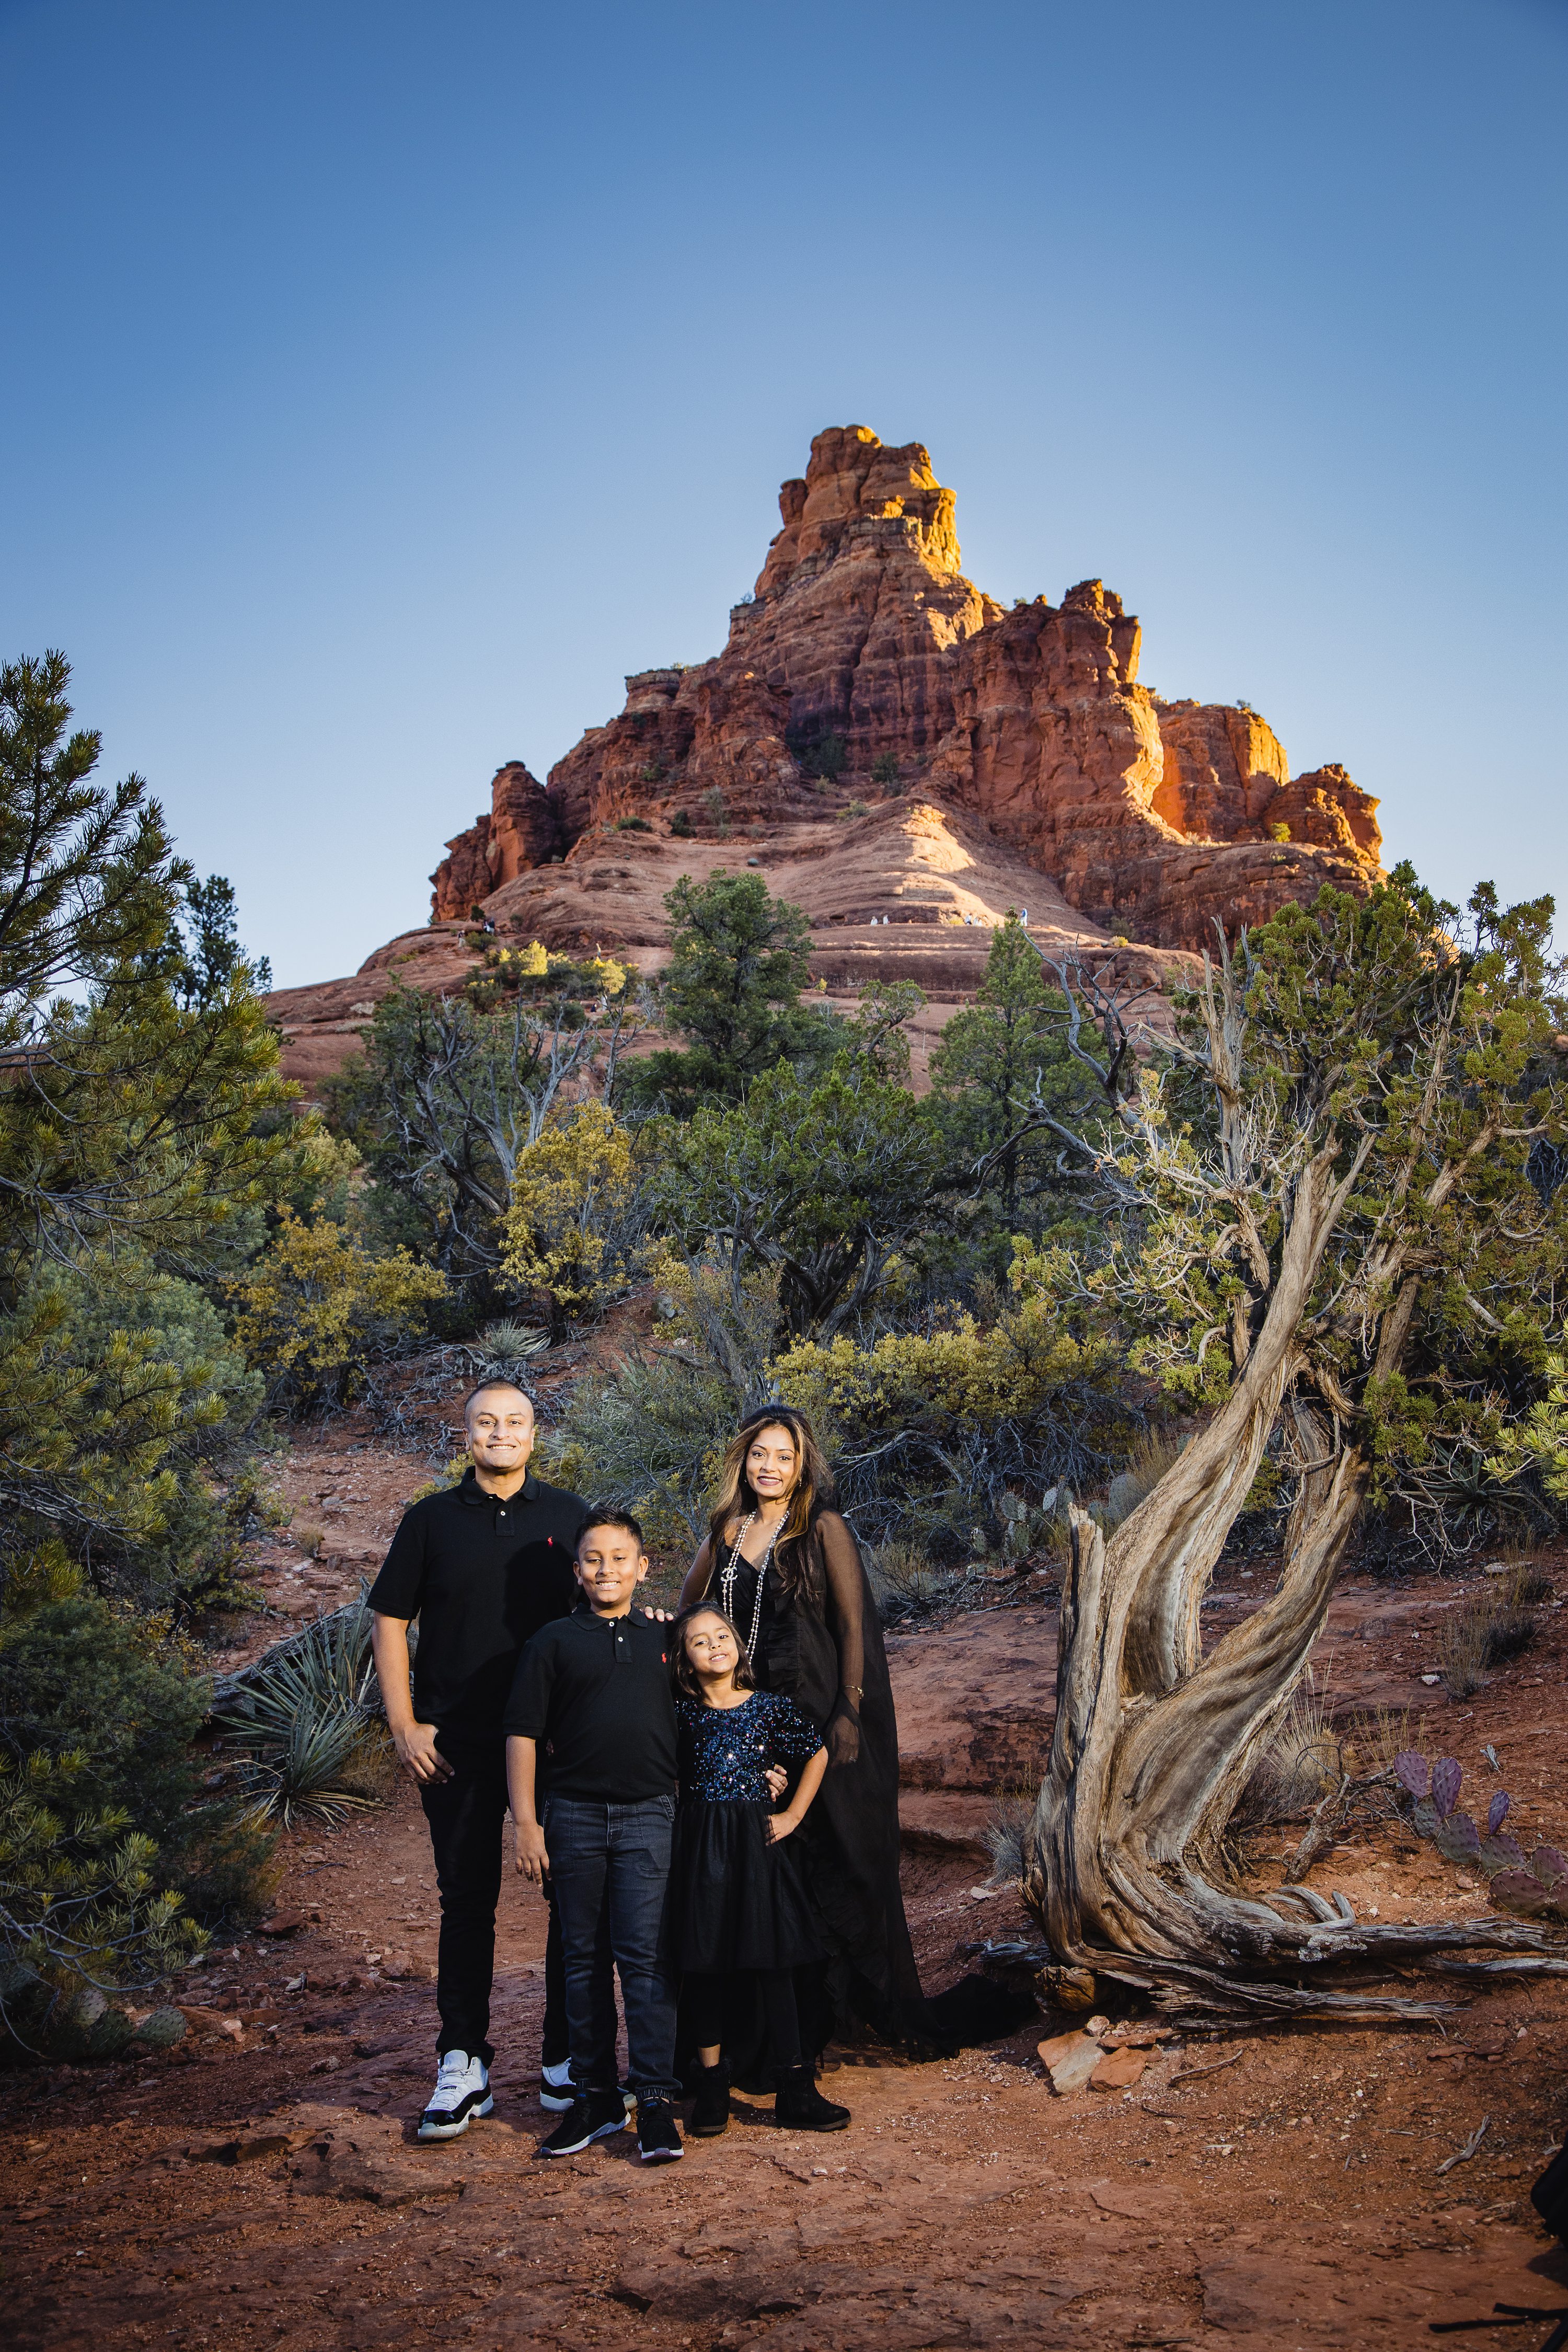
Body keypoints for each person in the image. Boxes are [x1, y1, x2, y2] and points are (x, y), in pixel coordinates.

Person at [368, 1379, 590, 2140]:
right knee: (467, 1901)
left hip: (555, 1741)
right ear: (467, 1436)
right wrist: (404, 1725)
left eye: (516, 1421)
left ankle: (569, 2060)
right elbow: (390, 1620)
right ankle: (464, 2062)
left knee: (572, 1901)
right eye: (487, 1421)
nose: (502, 1432)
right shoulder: (429, 1520)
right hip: (455, 1742)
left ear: (536, 1434)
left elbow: (605, 1610)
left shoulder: (569, 1517)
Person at [678, 1405, 924, 2059]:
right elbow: (688, 1612)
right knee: (765, 1869)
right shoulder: (725, 1533)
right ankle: (773, 2033)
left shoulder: (823, 1527)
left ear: (801, 1464)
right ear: (743, 1460)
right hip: (746, 1721)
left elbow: (854, 1626)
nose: (770, 1467)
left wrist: (849, 1710)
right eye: (760, 1454)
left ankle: (841, 2017)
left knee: (837, 1853)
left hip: (816, 1711)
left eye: (783, 1456)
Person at [505, 1510, 685, 2164]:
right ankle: (595, 2096)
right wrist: (527, 1823)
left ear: (643, 1568)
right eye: (593, 1559)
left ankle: (657, 2102)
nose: (606, 1570)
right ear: (576, 1570)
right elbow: (522, 1735)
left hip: (649, 1817)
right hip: (573, 1817)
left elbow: (715, 1704)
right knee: (581, 1960)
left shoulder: (667, 1639)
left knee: (645, 1960)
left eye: (619, 1558)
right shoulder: (552, 1642)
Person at [671, 1602, 849, 2137]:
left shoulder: (768, 1707)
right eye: (699, 1641)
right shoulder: (678, 1713)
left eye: (721, 1635)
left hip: (756, 1845)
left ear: (738, 1645)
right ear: (684, 1659)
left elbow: (814, 1753)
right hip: (700, 1847)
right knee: (703, 1966)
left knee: (774, 1961)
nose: (714, 1646)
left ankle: (795, 2085)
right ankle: (711, 2087)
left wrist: (793, 1811)